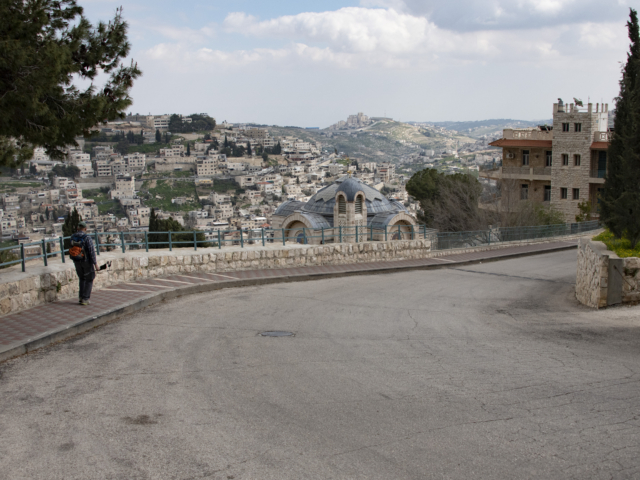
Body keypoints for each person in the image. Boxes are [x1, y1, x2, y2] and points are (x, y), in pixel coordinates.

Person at [69, 221, 98, 306]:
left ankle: (81, 297)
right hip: (86, 261)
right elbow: (91, 252)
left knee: (82, 278)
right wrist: (95, 264)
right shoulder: (87, 238)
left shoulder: (73, 237)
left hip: (76, 261)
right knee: (89, 278)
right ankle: (85, 299)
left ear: (77, 228)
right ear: (85, 228)